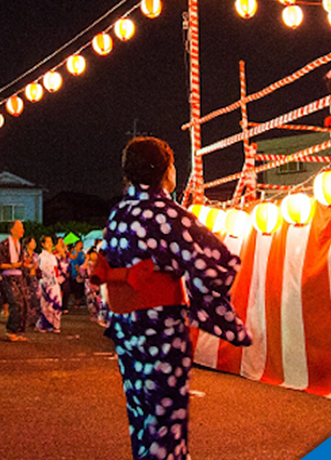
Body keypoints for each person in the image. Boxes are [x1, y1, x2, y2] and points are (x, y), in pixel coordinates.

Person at [92, 136, 250, 460]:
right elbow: (214, 261)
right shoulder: (169, 214)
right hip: (160, 323)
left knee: (139, 405)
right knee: (166, 410)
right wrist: (212, 303)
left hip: (125, 325)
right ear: (166, 173)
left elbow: (107, 261)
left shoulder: (119, 214)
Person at [0, 220, 30, 342]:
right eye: (19, 228)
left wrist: (23, 264)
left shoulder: (20, 245)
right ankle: (11, 330)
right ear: (12, 230)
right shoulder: (4, 245)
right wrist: (14, 265)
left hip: (19, 276)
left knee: (25, 303)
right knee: (16, 302)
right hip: (8, 277)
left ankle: (20, 330)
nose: (22, 230)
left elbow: (21, 265)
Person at [34, 236, 62, 333]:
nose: (50, 244)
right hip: (46, 282)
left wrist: (57, 278)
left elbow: (55, 269)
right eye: (48, 241)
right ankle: (43, 324)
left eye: (51, 241)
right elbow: (42, 269)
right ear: (43, 244)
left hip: (54, 282)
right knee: (46, 305)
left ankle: (55, 325)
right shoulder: (42, 256)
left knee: (57, 303)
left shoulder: (52, 256)